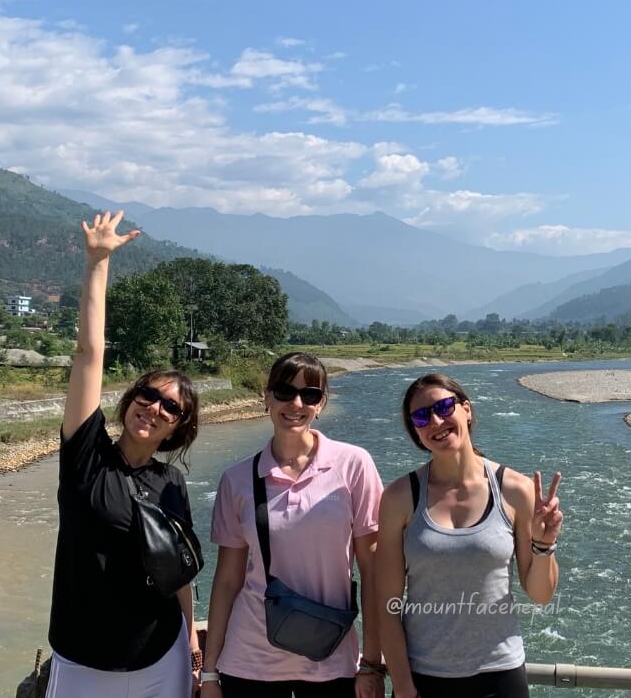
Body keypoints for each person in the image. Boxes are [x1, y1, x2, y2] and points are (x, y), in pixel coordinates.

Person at [47, 211, 202, 697]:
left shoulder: (170, 483)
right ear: (130, 398)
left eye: (170, 406)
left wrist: (194, 643)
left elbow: (178, 569)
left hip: (160, 656)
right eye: (147, 395)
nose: (154, 407)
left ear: (177, 427)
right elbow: (89, 354)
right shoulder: (86, 457)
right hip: (82, 659)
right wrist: (97, 264)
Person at [201, 352, 384, 698]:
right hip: (249, 660)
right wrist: (210, 673)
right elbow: (227, 581)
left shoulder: (353, 465)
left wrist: (371, 663)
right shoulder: (237, 479)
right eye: (285, 392)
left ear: (321, 404)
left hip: (331, 659)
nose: (296, 403)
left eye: (309, 395)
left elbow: (372, 572)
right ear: (267, 396)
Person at [376, 373, 564, 698]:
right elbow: (388, 605)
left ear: (466, 409)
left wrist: (544, 546)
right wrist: (404, 688)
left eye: (444, 407)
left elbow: (540, 595)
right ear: (416, 432)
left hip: (500, 675)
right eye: (421, 416)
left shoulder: (516, 490)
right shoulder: (398, 498)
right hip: (423, 677)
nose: (435, 421)